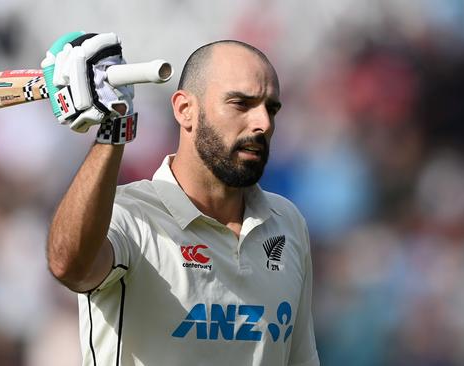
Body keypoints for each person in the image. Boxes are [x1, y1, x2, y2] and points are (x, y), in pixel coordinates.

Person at [45, 32, 319, 366]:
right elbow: (70, 266)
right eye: (241, 104)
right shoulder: (130, 215)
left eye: (271, 109)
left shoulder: (287, 222)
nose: (263, 123)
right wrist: (113, 133)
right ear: (185, 109)